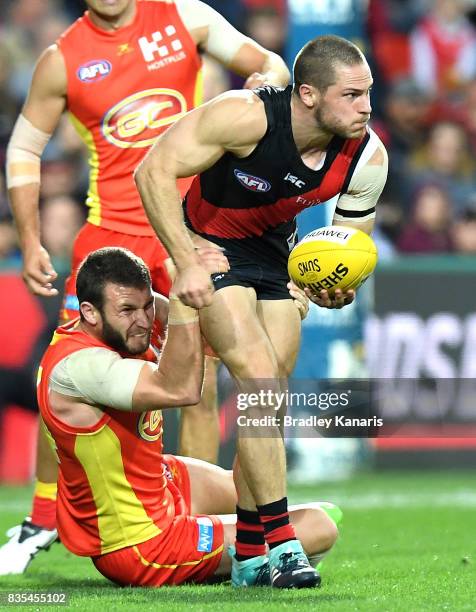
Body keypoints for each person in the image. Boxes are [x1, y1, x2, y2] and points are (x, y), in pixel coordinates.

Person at [2, 0, 291, 573]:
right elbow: (23, 149)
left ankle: (187, 522)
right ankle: (40, 518)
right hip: (111, 242)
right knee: (58, 374)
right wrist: (31, 239)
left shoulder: (185, 17)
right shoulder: (63, 59)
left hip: (188, 230)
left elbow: (272, 65)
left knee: (200, 382)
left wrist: (265, 85)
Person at [134, 34, 388, 588]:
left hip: (276, 256)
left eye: (368, 93)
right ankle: (283, 542)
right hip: (210, 245)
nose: (366, 107)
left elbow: (349, 247)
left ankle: (248, 554)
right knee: (259, 376)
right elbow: (151, 171)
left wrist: (326, 287)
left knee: (267, 406)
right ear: (308, 95)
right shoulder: (244, 118)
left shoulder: (368, 155)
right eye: (351, 95)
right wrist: (187, 260)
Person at [26, 246, 339, 588]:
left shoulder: (122, 323)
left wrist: (282, 312)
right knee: (320, 526)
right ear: (89, 312)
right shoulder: (80, 367)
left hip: (157, 481)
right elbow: (181, 390)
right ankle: (243, 561)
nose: (143, 320)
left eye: (148, 305)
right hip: (140, 541)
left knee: (269, 495)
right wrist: (182, 295)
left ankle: (238, 550)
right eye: (128, 310)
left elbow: (218, 342)